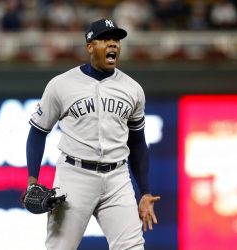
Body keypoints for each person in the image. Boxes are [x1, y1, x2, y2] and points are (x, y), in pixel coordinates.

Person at [25, 18, 161, 250]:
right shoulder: (61, 85)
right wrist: (32, 181)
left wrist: (145, 192)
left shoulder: (133, 89)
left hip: (117, 178)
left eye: (116, 40)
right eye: (106, 39)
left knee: (132, 247)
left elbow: (137, 143)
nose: (113, 45)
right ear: (90, 46)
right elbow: (38, 132)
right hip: (74, 176)